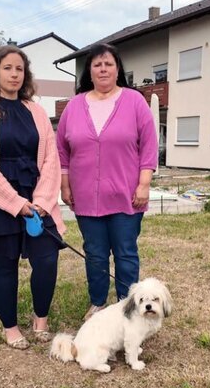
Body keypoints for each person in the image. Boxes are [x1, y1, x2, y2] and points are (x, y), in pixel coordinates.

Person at [0, 45, 65, 349]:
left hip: (38, 200)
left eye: (19, 69)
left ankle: (41, 319)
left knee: (47, 260)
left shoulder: (36, 111)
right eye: (7, 68)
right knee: (5, 266)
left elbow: (50, 160)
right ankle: (10, 327)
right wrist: (17, 204)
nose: (14, 74)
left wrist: (42, 202)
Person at [56, 43, 158, 321]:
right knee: (95, 254)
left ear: (117, 69)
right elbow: (62, 150)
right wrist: (64, 185)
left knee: (126, 253)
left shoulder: (135, 101)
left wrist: (144, 184)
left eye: (108, 64)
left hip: (127, 195)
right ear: (89, 71)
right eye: (97, 64)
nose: (103, 69)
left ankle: (127, 308)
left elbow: (149, 145)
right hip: (86, 197)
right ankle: (98, 303)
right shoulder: (74, 106)